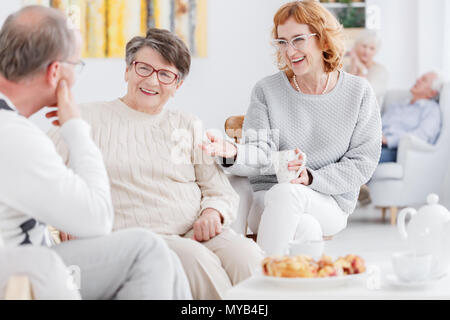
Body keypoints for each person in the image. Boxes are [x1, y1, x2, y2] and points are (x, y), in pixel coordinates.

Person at [49, 28, 264, 300]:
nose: (152, 80)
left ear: (177, 86)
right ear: (127, 71)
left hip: (194, 230)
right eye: (144, 68)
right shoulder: (86, 118)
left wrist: (213, 213)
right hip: (139, 240)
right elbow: (42, 174)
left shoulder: (187, 124)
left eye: (165, 74)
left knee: (247, 256)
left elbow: (219, 190)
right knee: (196, 260)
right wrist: (65, 216)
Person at [0, 6, 191, 300]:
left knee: (165, 261)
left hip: (31, 262)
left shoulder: (12, 130)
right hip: (20, 275)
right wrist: (76, 127)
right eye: (76, 65)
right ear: (55, 72)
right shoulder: (16, 138)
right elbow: (98, 217)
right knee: (148, 250)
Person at [200, 0, 381, 255]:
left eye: (298, 39)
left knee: (289, 194)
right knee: (306, 228)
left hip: (330, 202)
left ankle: (258, 283)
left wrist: (310, 177)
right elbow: (259, 150)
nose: (289, 50)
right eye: (282, 42)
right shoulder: (267, 90)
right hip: (267, 198)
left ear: (323, 40)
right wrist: (233, 151)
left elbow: (362, 162)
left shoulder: (358, 92)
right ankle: (283, 286)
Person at [380, 71, 443, 163]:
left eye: (423, 80)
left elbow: (422, 136)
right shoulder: (397, 105)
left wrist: (388, 140)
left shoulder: (431, 109)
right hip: (375, 142)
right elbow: (379, 124)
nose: (418, 80)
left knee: (361, 158)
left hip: (395, 149)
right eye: (420, 78)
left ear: (432, 93)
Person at [345, 29, 389, 106]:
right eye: (364, 46)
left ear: (376, 51)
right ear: (356, 47)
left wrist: (361, 68)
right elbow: (344, 94)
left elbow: (366, 95)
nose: (367, 51)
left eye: (372, 48)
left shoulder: (381, 71)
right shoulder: (345, 68)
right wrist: (353, 68)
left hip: (370, 113)